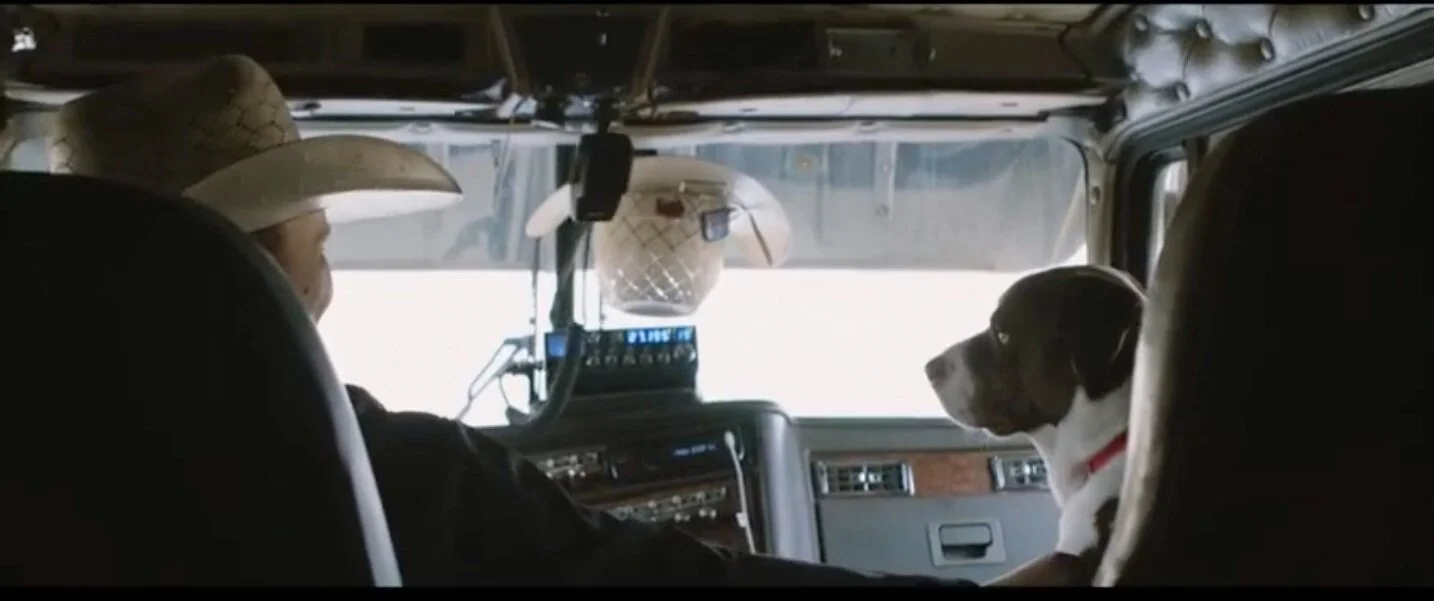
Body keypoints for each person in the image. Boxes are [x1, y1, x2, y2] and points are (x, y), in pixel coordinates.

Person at [45, 54, 1104, 586]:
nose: (330, 281)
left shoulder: (45, 457)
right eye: (318, 245)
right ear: (249, 273)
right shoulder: (382, 470)